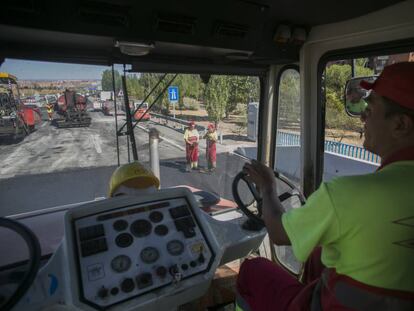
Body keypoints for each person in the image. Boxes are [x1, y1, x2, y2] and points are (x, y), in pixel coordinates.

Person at [236, 62, 414, 310]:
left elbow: (278, 233)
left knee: (252, 270)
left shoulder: (347, 194)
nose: (361, 116)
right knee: (317, 255)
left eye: (370, 110)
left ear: (400, 125)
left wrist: (267, 187)